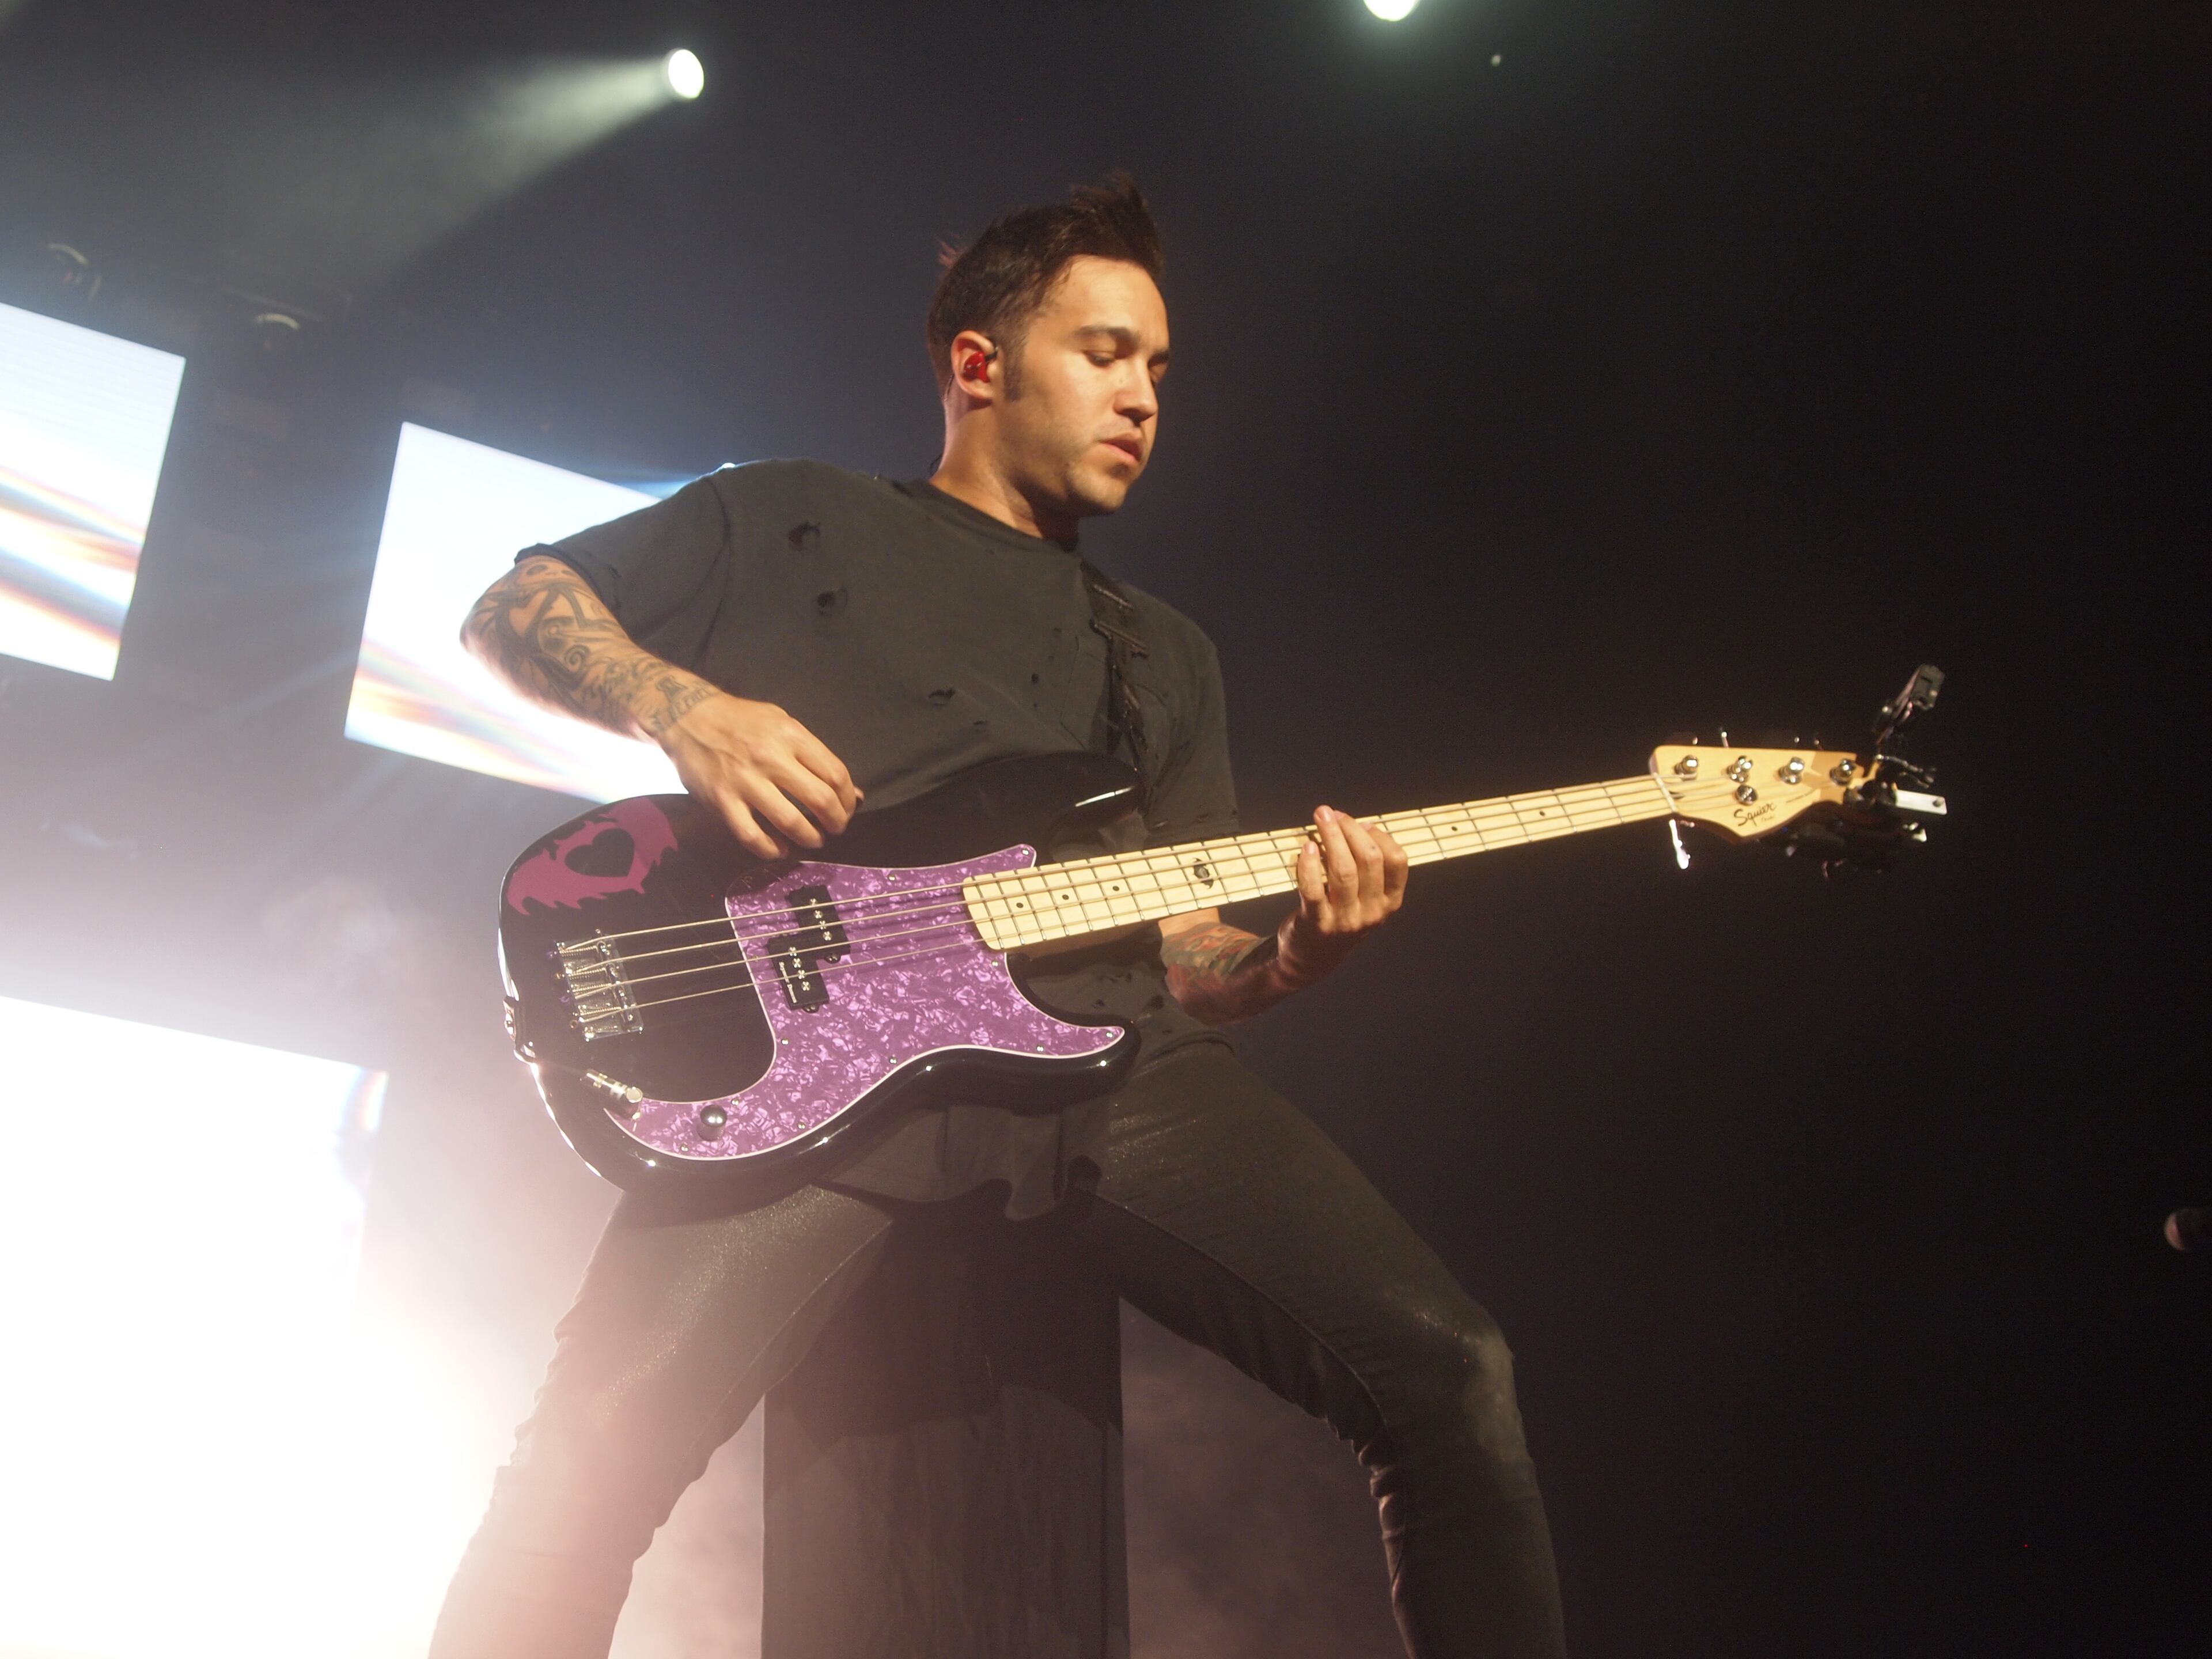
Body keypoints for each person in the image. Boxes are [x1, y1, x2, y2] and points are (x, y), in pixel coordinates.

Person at [431, 175, 1566, 1659]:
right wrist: (686, 709)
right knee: (582, 1474)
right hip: (808, 1058)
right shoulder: (794, 516)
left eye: (1160, 370)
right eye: (1107, 354)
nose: (1145, 398)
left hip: (1116, 1072)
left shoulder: (1163, 654)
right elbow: (514, 608)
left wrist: (1296, 952)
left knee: (1452, 1370)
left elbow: (1195, 960)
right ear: (980, 364)